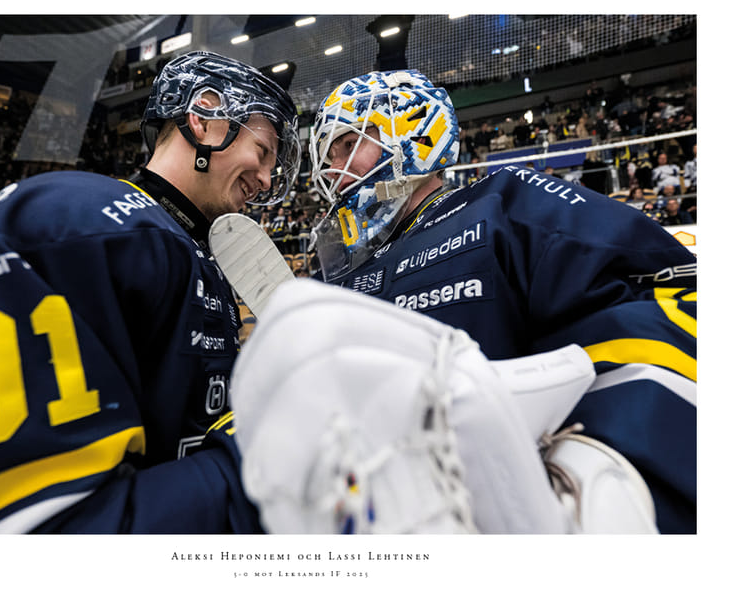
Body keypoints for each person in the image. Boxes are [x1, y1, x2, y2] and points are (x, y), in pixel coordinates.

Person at [267, 69, 695, 533]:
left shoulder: (504, 204)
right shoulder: (342, 277)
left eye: (350, 144)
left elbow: (656, 297)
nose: (335, 169)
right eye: (331, 155)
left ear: (417, 136)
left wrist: (605, 456)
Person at [0, 50, 301, 533]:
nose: (265, 179)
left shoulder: (187, 247)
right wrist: (265, 453)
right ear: (204, 118)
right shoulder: (90, 222)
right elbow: (23, 530)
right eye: (262, 151)